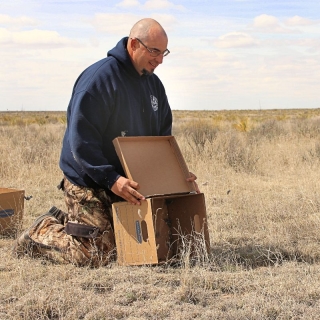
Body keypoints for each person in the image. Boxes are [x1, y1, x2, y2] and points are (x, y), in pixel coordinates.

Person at [13, 18, 198, 267]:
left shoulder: (155, 86)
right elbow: (81, 143)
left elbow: (160, 143)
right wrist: (111, 180)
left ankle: (80, 224)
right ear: (134, 44)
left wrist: (176, 175)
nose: (160, 60)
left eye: (163, 52)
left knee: (150, 243)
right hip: (90, 179)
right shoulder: (99, 80)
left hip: (130, 183)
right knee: (95, 255)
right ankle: (43, 228)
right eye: (154, 51)